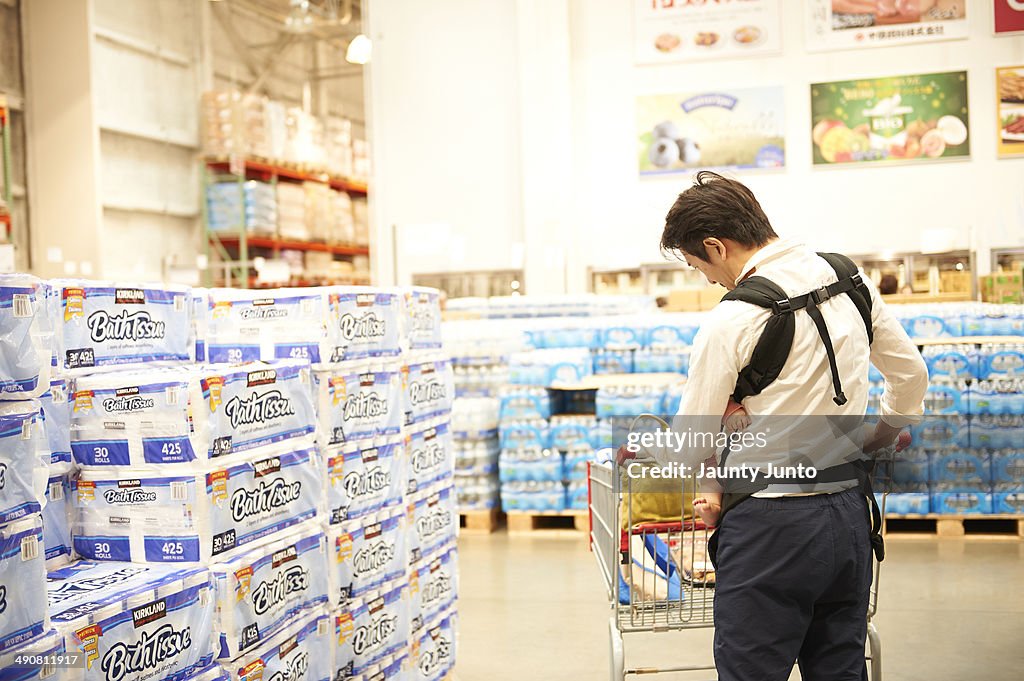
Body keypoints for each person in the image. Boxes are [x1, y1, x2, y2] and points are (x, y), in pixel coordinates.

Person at [659, 171, 928, 681]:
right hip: (849, 512)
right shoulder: (849, 278)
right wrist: (883, 434)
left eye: (699, 265)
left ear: (717, 245)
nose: (709, 280)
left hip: (769, 528)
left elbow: (688, 449)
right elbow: (911, 374)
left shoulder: (731, 320)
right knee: (839, 666)